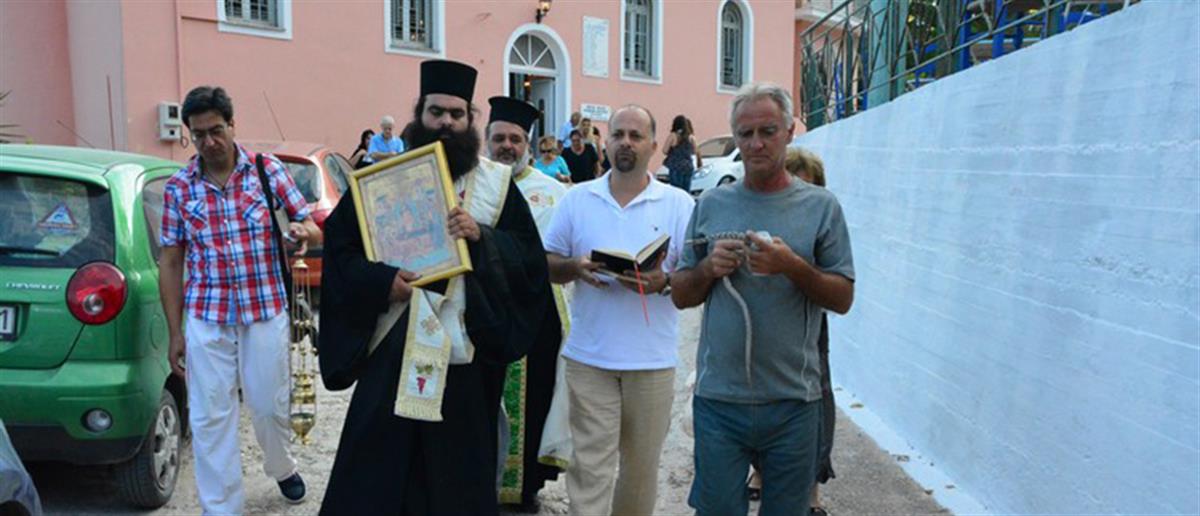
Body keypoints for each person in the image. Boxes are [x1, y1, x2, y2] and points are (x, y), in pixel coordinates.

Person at [317, 60, 553, 515]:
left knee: (457, 479)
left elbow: (528, 260)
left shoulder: (496, 185)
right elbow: (341, 255)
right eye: (436, 112)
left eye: (456, 114)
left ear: (470, 120)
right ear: (419, 115)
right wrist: (382, 281)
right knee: (375, 474)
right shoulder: (382, 180)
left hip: (463, 355)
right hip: (393, 347)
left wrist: (482, 239)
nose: (446, 122)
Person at [671, 83, 855, 516]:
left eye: (767, 131)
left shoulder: (821, 207)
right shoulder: (711, 204)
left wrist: (791, 265)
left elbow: (843, 297)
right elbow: (680, 293)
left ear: (789, 132)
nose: (756, 143)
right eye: (745, 133)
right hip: (720, 400)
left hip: (794, 401)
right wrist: (707, 269)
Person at [158, 85, 322, 514]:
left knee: (268, 406)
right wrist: (175, 332)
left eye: (216, 130)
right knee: (211, 418)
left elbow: (310, 225)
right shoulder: (179, 188)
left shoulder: (268, 172)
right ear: (190, 135)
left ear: (233, 125)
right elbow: (171, 262)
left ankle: (281, 466)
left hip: (264, 309)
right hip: (207, 316)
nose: (209, 142)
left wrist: (302, 233)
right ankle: (221, 508)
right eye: (199, 135)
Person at [543, 104, 695, 516]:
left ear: (653, 145)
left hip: (652, 361)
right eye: (618, 134)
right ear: (605, 142)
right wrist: (574, 267)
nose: (625, 142)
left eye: (636, 135)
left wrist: (663, 281)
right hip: (590, 358)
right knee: (589, 467)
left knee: (640, 471)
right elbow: (548, 263)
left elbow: (693, 277)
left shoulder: (679, 204)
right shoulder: (577, 199)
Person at [484, 95, 571, 513]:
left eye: (515, 139)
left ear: (528, 144)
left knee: (534, 395)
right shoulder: (473, 182)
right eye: (499, 138)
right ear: (487, 140)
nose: (507, 146)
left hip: (536, 312)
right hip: (482, 309)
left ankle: (524, 488)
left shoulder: (553, 193)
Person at [745, 147, 836, 513]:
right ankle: (759, 471)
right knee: (757, 400)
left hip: (808, 327)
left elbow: (837, 282)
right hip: (762, 324)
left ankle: (811, 488)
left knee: (816, 403)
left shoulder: (824, 223)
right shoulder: (760, 217)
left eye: (807, 186)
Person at [663, 115, 701, 192]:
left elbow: (665, 150)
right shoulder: (691, 137)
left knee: (675, 192)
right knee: (686, 192)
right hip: (688, 167)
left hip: (676, 166)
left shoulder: (673, 135)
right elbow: (695, 151)